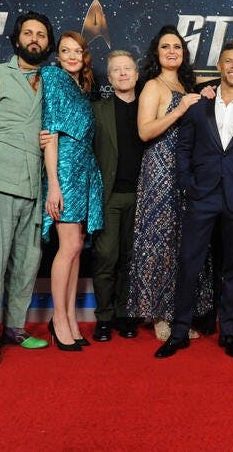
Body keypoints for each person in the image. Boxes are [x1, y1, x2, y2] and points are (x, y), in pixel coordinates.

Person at [155, 41, 233, 359]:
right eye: (228, 61)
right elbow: (183, 148)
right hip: (202, 196)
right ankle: (179, 332)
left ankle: (229, 332)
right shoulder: (199, 102)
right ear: (219, 65)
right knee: (189, 263)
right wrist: (186, 183)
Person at [0, 10, 54, 366]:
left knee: (27, 264)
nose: (35, 39)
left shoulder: (52, 80)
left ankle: (15, 328)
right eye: (29, 34)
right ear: (17, 40)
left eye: (42, 35)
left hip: (35, 186)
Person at [127, 25, 211, 341]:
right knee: (160, 244)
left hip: (188, 172)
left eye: (177, 46)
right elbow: (145, 132)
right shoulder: (153, 86)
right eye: (166, 47)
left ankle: (180, 312)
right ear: (157, 53)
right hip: (160, 172)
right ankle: (159, 315)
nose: (172, 51)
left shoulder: (187, 83)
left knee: (184, 244)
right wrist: (180, 109)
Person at [41, 31, 104, 351]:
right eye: (65, 51)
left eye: (77, 51)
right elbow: (49, 134)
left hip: (83, 171)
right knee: (67, 247)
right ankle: (58, 318)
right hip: (64, 171)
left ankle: (69, 317)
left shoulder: (80, 87)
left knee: (77, 245)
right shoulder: (53, 77)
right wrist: (53, 185)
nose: (71, 56)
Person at [90, 50, 144, 341]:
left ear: (136, 74)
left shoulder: (148, 108)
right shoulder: (98, 109)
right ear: (109, 78)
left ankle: (124, 314)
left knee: (129, 259)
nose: (122, 73)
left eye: (127, 68)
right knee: (106, 256)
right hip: (109, 196)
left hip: (141, 195)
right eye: (116, 70)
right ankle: (103, 317)